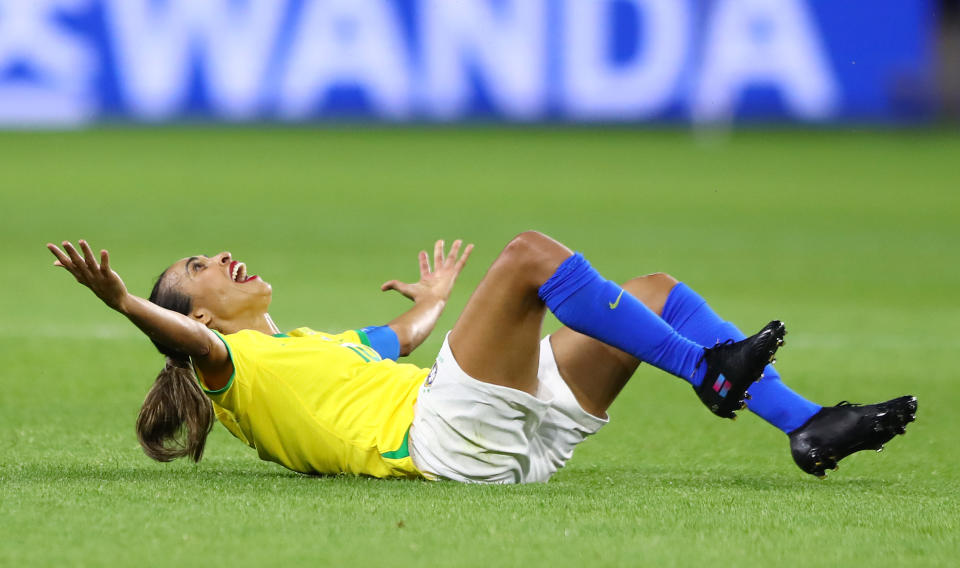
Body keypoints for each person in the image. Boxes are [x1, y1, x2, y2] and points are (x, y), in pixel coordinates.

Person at [46, 232, 916, 483]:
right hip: (445, 441)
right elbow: (170, 334)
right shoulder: (222, 365)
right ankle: (708, 373)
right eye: (201, 269)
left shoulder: (315, 348)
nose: (223, 257)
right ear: (199, 314)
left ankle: (809, 425)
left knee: (654, 288)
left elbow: (405, 343)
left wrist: (430, 303)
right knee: (532, 257)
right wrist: (123, 301)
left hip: (499, 439)